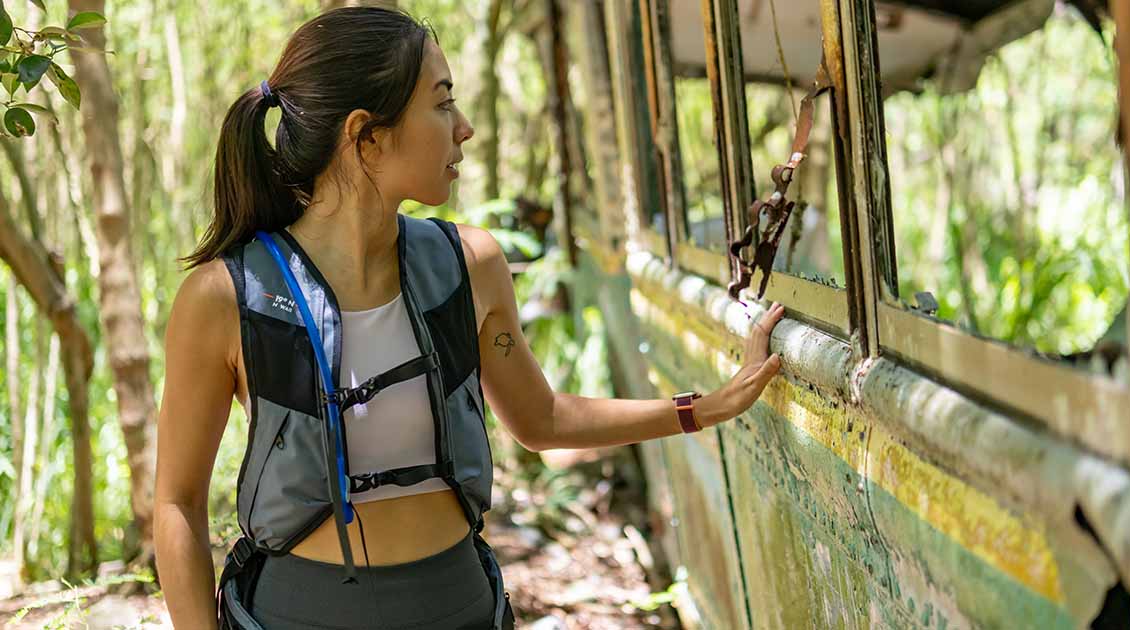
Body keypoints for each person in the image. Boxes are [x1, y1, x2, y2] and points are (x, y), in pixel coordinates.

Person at [152, 6, 786, 630]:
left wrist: (702, 409)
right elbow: (177, 504)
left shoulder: (469, 263)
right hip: (292, 614)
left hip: (459, 607)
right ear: (367, 136)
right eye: (442, 102)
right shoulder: (229, 296)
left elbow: (542, 420)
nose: (466, 128)